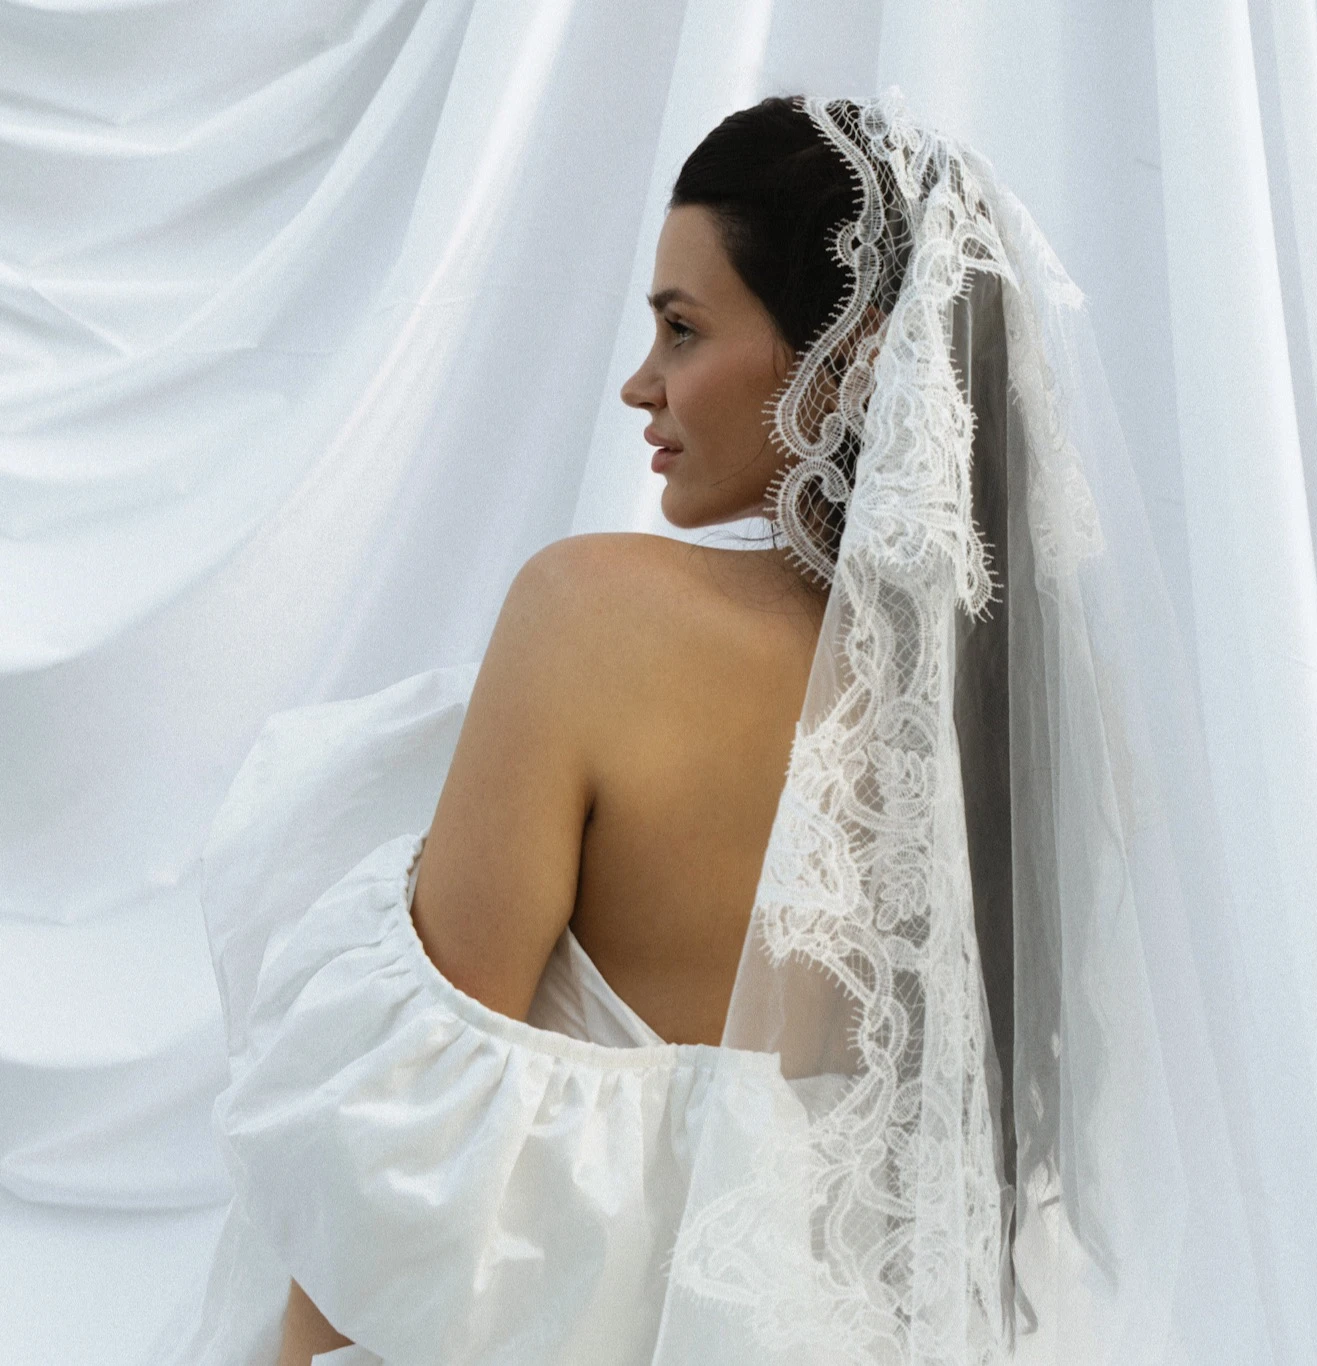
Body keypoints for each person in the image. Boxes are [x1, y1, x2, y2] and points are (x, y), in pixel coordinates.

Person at [154, 90, 1240, 1365]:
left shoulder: (589, 618)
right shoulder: (1028, 725)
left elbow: (393, 1157)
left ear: (849, 359)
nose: (640, 383)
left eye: (681, 328)